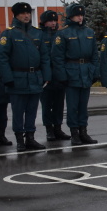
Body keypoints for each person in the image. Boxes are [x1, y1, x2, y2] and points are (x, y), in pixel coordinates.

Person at [0, 2, 51, 151]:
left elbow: (44, 56)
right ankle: (20, 139)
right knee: (18, 111)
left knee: (32, 110)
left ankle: (30, 138)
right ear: (16, 15)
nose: (26, 16)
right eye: (22, 14)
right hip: (17, 77)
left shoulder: (37, 33)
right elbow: (1, 58)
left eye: (27, 13)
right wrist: (8, 78)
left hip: (35, 77)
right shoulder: (9, 33)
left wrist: (46, 75)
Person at [52, 3, 99, 145]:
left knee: (83, 105)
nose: (80, 17)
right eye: (77, 15)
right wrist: (62, 76)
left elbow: (95, 55)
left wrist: (94, 72)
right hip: (71, 71)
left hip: (86, 71)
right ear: (70, 16)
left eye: (81, 14)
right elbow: (57, 57)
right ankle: (74, 133)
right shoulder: (63, 33)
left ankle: (83, 131)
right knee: (73, 106)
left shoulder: (89, 32)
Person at [38, 10, 71, 142]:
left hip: (59, 75)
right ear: (44, 22)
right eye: (50, 21)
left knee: (59, 104)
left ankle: (58, 128)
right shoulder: (40, 35)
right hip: (46, 77)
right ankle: (49, 130)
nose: (53, 23)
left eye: (54, 20)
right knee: (47, 105)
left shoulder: (60, 35)